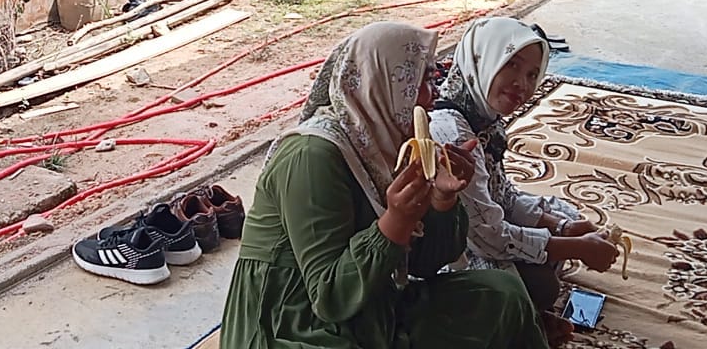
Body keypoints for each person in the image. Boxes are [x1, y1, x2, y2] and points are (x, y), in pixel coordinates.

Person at [220, 21, 548, 349]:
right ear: (385, 82)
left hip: (370, 303)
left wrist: (442, 200)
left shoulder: (389, 144)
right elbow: (329, 296)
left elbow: (425, 264)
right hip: (291, 320)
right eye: (422, 81)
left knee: (503, 296)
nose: (434, 94)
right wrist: (396, 221)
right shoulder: (311, 155)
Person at [427, 18, 619, 336]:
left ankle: (526, 315)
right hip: (447, 254)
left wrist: (563, 228)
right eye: (511, 65)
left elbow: (503, 197)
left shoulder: (483, 119)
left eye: (532, 74)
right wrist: (576, 248)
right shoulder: (452, 133)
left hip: (480, 231)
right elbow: (487, 237)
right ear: (482, 60)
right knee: (541, 286)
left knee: (565, 217)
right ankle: (519, 324)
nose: (522, 84)